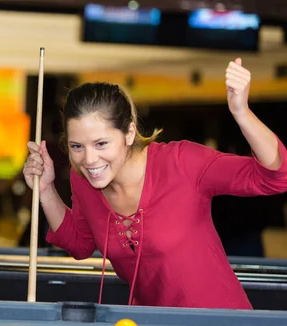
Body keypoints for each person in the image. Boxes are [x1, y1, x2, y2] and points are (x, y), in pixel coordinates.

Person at [23, 59, 287, 310]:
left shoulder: (182, 162)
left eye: (101, 143)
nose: (89, 159)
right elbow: (79, 244)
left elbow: (275, 177)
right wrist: (45, 189)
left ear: (128, 132)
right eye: (76, 146)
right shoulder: (83, 179)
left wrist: (242, 112)